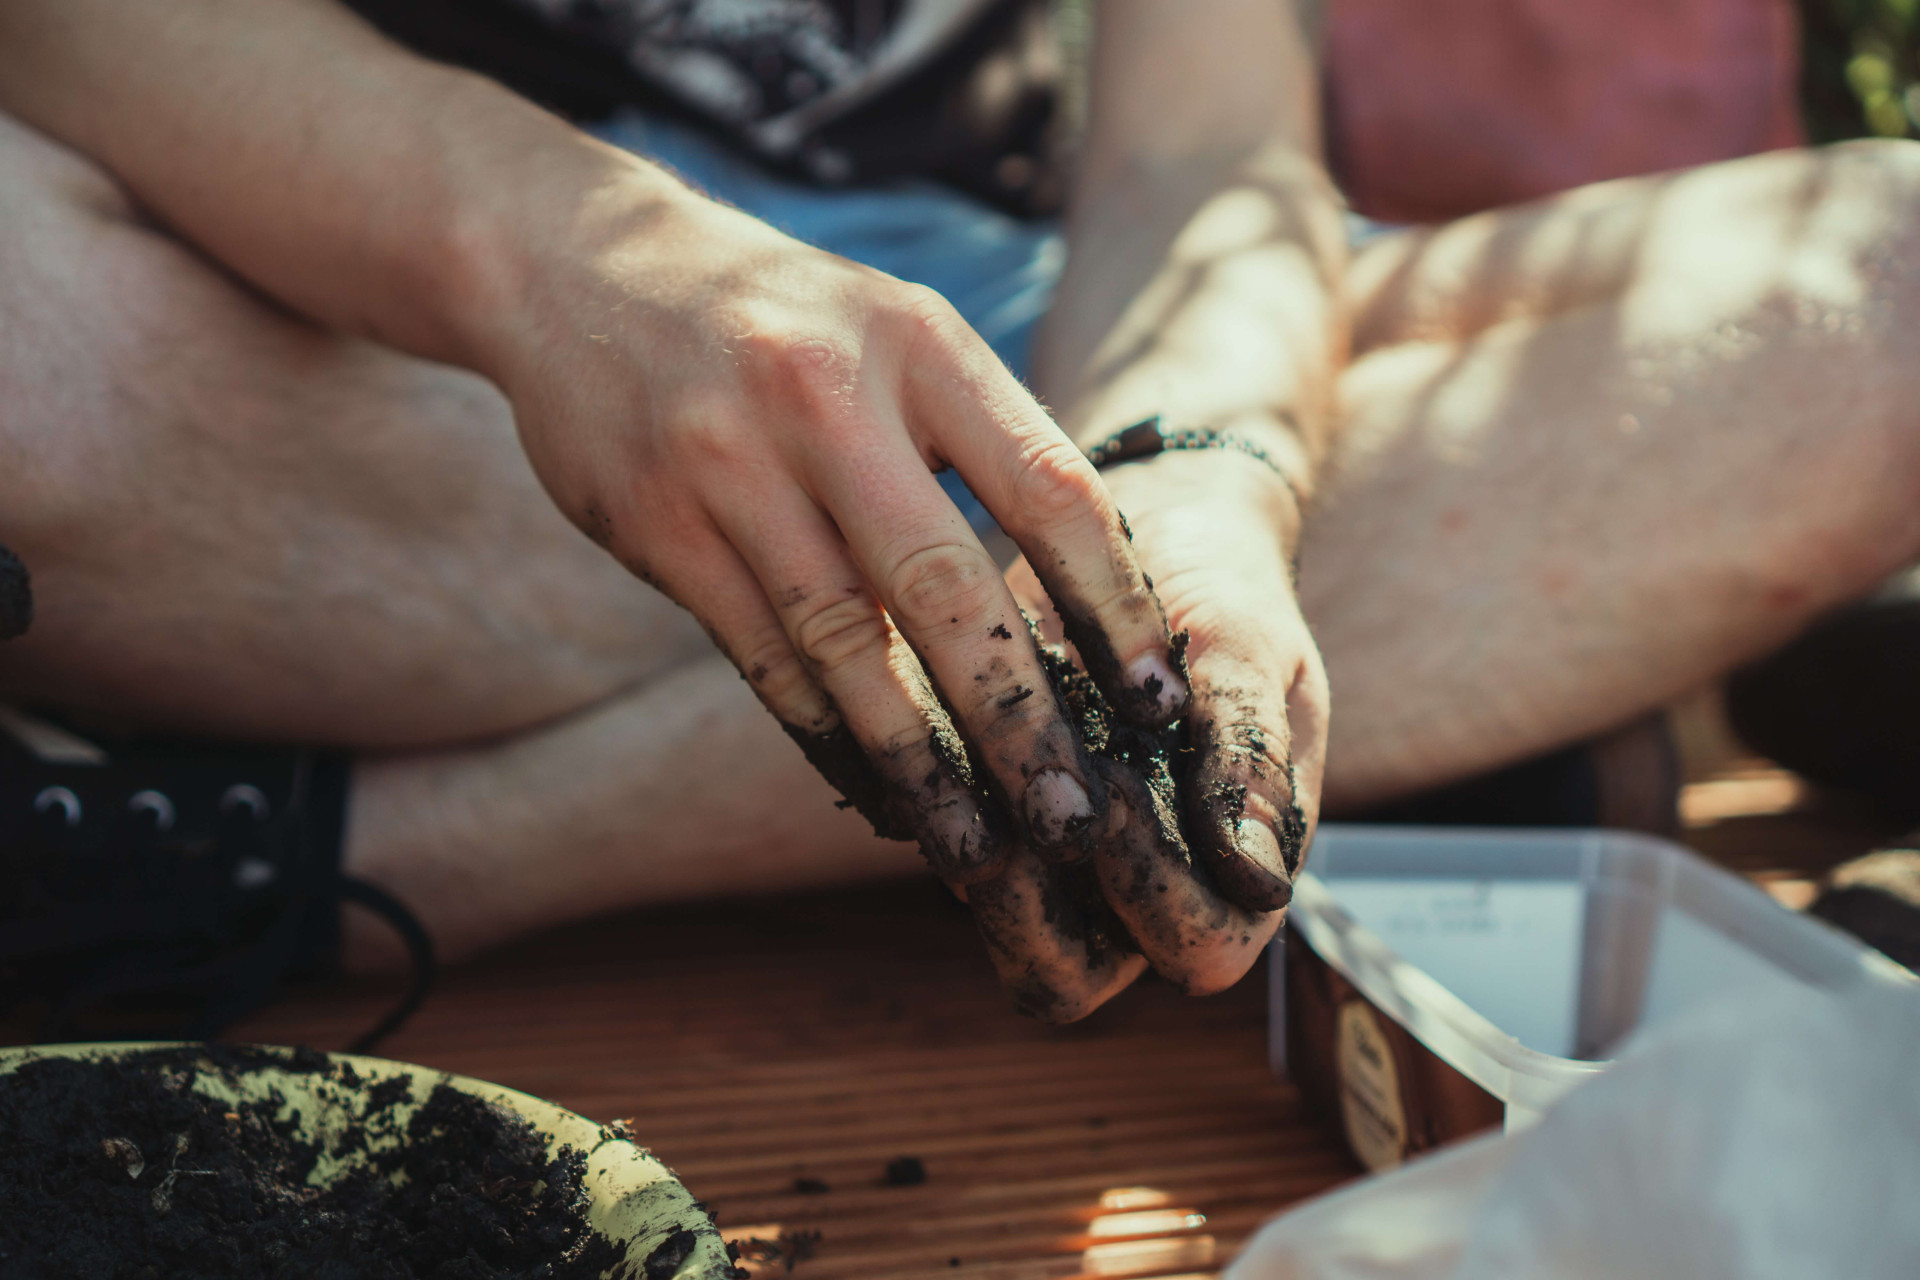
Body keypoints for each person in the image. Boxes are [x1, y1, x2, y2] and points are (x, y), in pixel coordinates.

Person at [1, 0, 1917, 1029]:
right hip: (384, 300)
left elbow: (1198, 146)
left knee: (1889, 284)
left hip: (1005, 321)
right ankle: (1464, 690)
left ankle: (396, 850)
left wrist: (1191, 453)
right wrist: (561, 262)